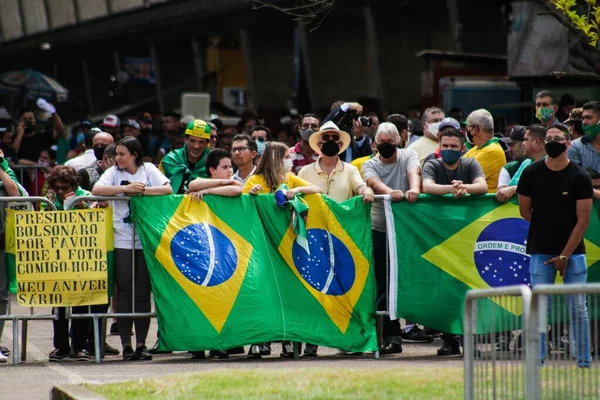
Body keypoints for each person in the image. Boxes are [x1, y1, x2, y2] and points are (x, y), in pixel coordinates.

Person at [517, 124, 593, 368]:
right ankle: (536, 361)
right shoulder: (531, 173)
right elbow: (525, 211)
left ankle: (583, 362)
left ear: (568, 143)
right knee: (540, 308)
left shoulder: (579, 176)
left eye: (557, 138)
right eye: (548, 138)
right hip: (540, 250)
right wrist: (547, 230)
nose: (551, 142)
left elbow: (583, 221)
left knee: (578, 308)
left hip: (574, 253)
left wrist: (564, 255)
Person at [93, 137, 173, 361]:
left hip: (145, 239)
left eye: (121, 154)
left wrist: (143, 191)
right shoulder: (114, 173)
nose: (117, 158)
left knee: (142, 291)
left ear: (134, 155)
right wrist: (125, 189)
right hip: (122, 238)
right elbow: (97, 188)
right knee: (125, 290)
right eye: (116, 154)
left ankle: (141, 344)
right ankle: (126, 344)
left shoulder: (147, 169)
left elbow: (168, 189)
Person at [421, 128, 487, 356]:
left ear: (462, 148)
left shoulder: (470, 164)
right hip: (438, 238)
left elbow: (483, 186)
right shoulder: (432, 164)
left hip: (467, 237)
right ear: (439, 146)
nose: (449, 150)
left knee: (468, 289)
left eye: (454, 147)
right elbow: (426, 187)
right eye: (445, 146)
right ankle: (449, 340)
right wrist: (452, 189)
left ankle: (471, 341)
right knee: (443, 291)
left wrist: (464, 188)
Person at [363, 122, 421, 355]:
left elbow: (413, 173)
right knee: (383, 283)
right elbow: (374, 183)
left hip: (408, 231)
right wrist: (391, 193)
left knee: (410, 279)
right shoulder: (369, 163)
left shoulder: (409, 154)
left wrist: (414, 189)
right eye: (382, 142)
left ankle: (428, 328)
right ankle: (391, 335)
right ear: (375, 144)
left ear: (399, 141)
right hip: (380, 230)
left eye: (390, 142)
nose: (386, 146)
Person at [45, 166, 94, 361]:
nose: (60, 192)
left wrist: (83, 207)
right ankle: (61, 346)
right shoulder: (49, 199)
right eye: (56, 187)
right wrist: (48, 206)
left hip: (82, 258)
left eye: (64, 187)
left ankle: (80, 345)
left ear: (73, 184)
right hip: (57, 258)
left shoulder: (86, 196)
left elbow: (97, 220)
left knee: (81, 302)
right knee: (59, 305)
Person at [0, 151, 27, 363]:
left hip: (1, 240)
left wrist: (1, 168)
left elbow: (15, 193)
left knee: (1, 294)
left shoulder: (5, 170)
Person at [496, 125, 547, 203]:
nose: (523, 143)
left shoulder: (551, 163)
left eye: (526, 140)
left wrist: (515, 189)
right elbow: (507, 189)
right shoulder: (526, 163)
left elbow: (546, 187)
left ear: (536, 141)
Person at [159, 119, 211, 195]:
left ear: (207, 144)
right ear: (185, 140)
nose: (196, 146)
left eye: (201, 142)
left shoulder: (214, 162)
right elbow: (157, 187)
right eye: (192, 141)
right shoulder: (169, 160)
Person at [463, 109, 506, 192]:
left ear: (476, 129)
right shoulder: (477, 148)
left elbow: (461, 176)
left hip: (487, 203)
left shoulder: (492, 151)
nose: (466, 131)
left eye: (468, 127)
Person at [567, 101, 600, 175]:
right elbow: (576, 179)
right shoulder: (574, 146)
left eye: (588, 117)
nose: (584, 122)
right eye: (583, 118)